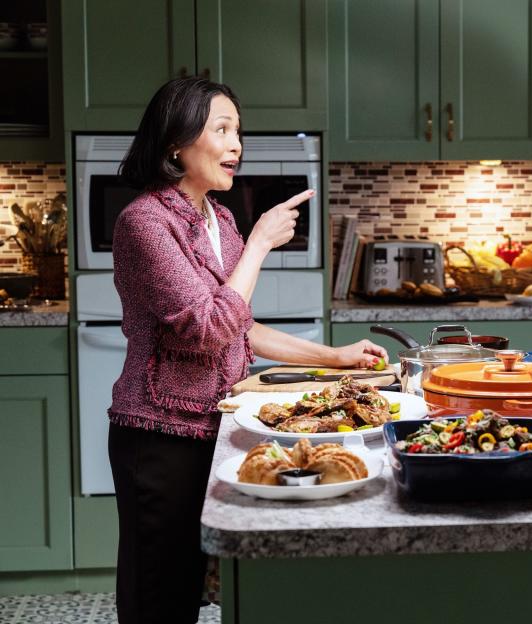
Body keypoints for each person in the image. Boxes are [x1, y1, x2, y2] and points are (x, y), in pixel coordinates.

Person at [108, 77, 388, 623]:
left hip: (215, 430)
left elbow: (242, 327)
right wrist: (260, 244)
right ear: (175, 143)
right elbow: (208, 329)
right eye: (222, 129)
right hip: (159, 438)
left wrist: (338, 357)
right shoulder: (144, 223)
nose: (237, 144)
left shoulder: (220, 218)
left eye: (239, 130)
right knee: (158, 599)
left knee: (195, 587)